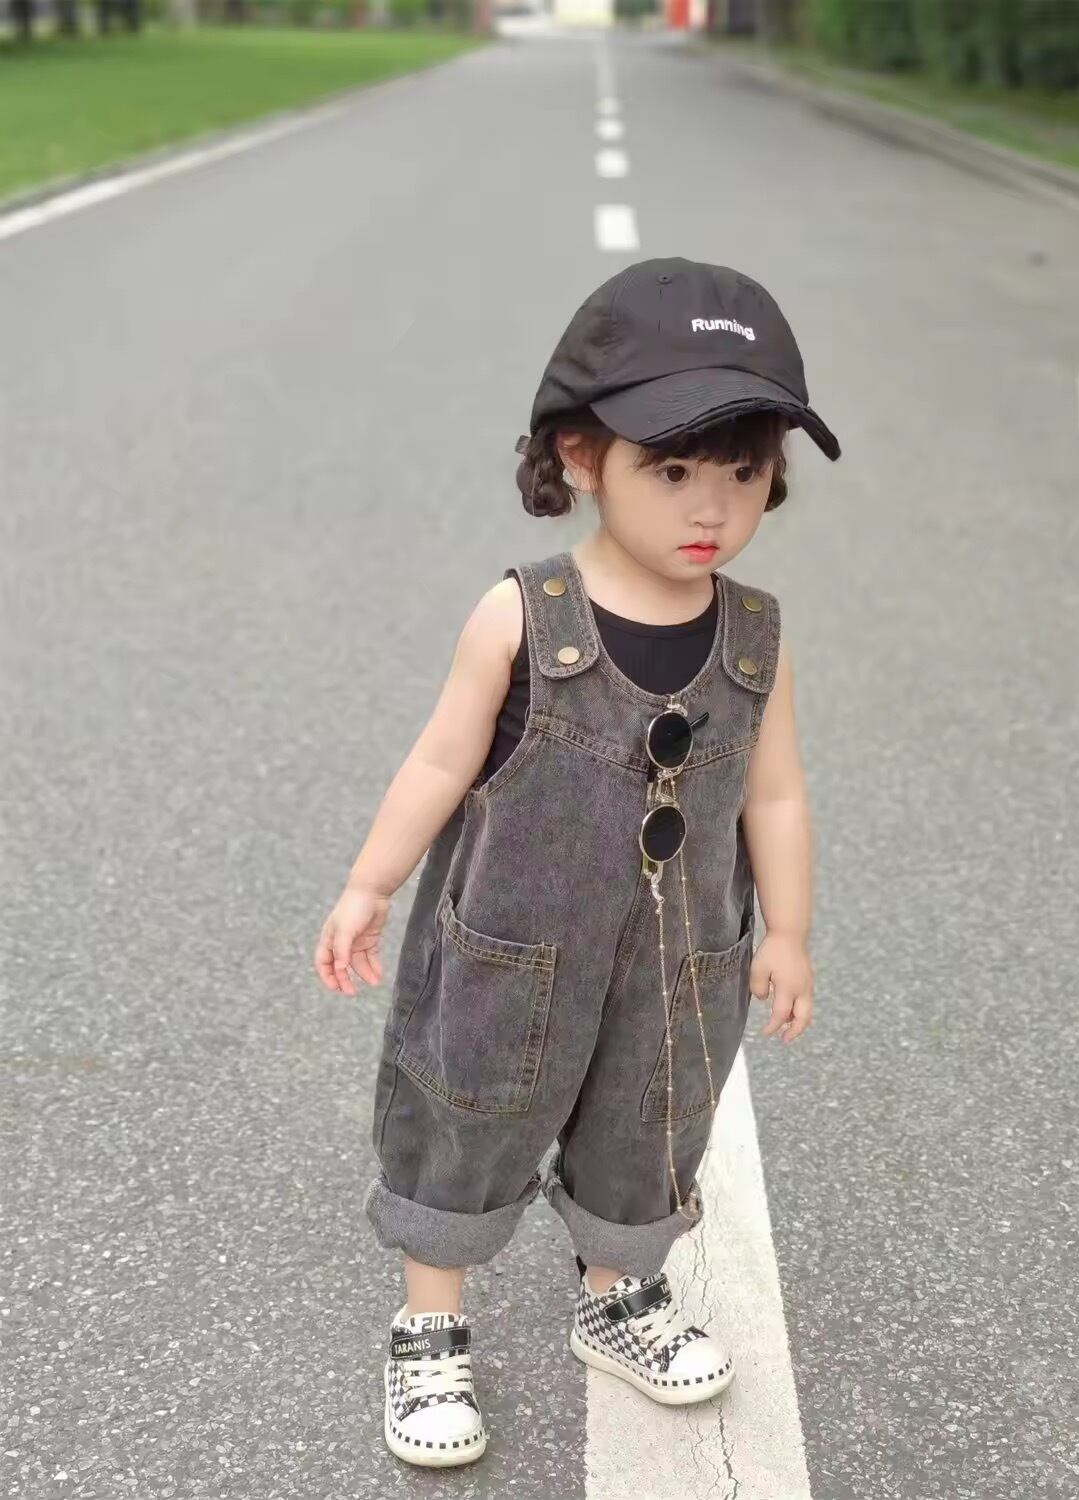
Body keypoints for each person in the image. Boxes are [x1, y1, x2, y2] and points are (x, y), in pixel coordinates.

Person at [314, 256, 840, 1469]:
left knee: (652, 1124)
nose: (712, 508)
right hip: (512, 950)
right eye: (673, 470)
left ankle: (616, 1297)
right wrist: (369, 885)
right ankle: (431, 1325)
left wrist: (790, 932)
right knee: (466, 1117)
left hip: (678, 956)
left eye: (745, 472)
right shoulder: (522, 615)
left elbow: (775, 788)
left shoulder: (756, 637)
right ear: (582, 454)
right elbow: (440, 761)